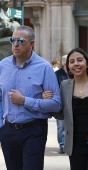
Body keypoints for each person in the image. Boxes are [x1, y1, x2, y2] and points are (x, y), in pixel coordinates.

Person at [43, 47, 88, 170]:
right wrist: (49, 101)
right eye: (71, 62)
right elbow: (60, 114)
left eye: (79, 60)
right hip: (75, 145)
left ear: (87, 63)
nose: (76, 64)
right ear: (68, 67)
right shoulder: (65, 86)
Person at [0, 25, 61, 170]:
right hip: (8, 130)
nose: (15, 44)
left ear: (31, 43)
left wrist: (25, 101)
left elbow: (56, 104)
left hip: (34, 130)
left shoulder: (44, 68)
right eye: (12, 40)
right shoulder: (3, 65)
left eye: (20, 40)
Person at [55, 54, 68, 154]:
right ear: (65, 63)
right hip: (60, 106)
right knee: (61, 127)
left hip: (72, 104)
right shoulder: (57, 74)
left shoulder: (74, 73)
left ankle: (68, 144)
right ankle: (62, 145)